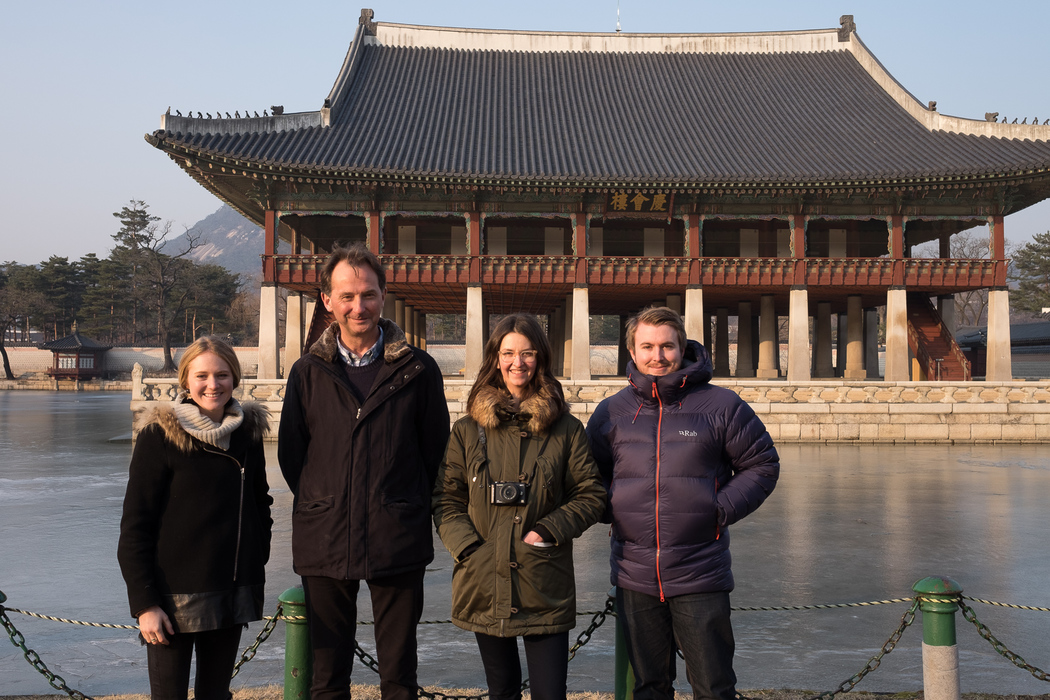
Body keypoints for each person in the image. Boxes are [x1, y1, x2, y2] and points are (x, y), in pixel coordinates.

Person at [278, 243, 450, 700]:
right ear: (328, 301)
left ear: (384, 295)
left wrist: (401, 500)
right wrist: (327, 498)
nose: (359, 306)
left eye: (369, 294)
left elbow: (435, 452)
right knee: (327, 676)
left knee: (399, 674)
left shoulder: (418, 370)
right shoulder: (308, 372)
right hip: (325, 534)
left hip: (396, 534)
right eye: (348, 296)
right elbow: (293, 457)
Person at [586, 307, 779, 700]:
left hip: (699, 571)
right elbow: (590, 475)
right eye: (647, 346)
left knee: (713, 686)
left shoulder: (721, 406)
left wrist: (717, 510)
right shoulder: (612, 412)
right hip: (634, 572)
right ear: (632, 351)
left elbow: (761, 465)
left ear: (682, 347)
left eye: (667, 346)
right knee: (650, 686)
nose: (658, 356)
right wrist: (614, 508)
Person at [432, 314, 606, 700]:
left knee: (549, 693)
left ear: (540, 358)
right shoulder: (465, 431)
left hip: (544, 578)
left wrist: (549, 529)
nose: (517, 363)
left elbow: (591, 494)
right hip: (483, 577)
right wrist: (469, 549)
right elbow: (446, 498)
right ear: (495, 358)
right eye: (508, 353)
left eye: (527, 353)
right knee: (502, 690)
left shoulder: (566, 429)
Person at [117, 335, 272, 700]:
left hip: (232, 590)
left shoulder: (247, 434)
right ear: (185, 380)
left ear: (235, 378)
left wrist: (255, 557)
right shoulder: (160, 435)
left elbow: (260, 502)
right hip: (172, 597)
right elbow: (135, 525)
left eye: (221, 375)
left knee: (215, 695)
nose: (212, 385)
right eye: (201, 375)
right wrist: (145, 604)